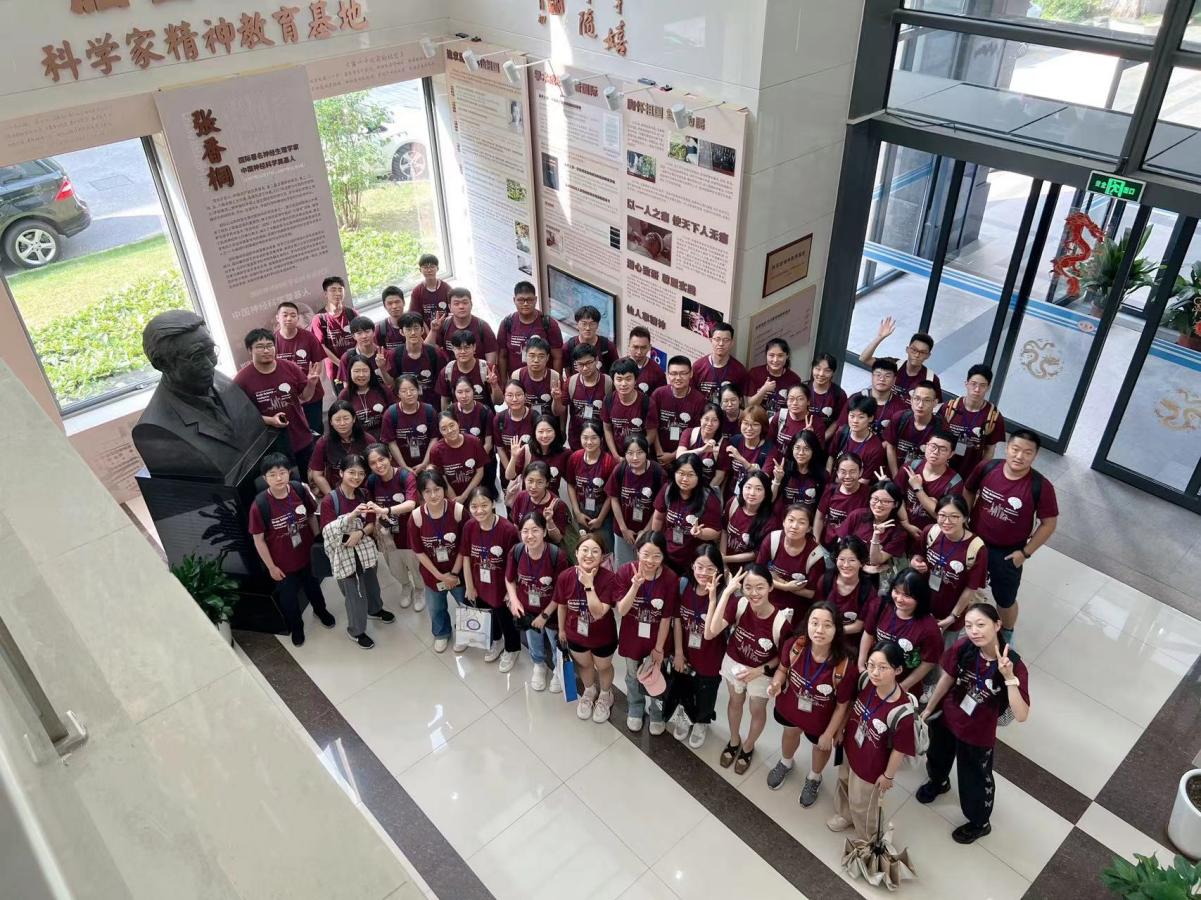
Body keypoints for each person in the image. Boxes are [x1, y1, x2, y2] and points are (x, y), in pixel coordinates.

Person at [918, 604, 1030, 844]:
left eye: (981, 624)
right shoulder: (964, 647)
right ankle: (939, 782)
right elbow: (947, 677)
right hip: (949, 716)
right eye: (969, 626)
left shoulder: (1013, 664)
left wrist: (1009, 678)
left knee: (974, 779)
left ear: (997, 625)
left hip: (978, 732)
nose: (974, 631)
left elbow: (1021, 714)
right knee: (937, 755)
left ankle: (980, 823)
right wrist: (929, 708)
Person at [964, 429, 1058, 643]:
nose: (1019, 456)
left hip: (1008, 553)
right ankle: (963, 621)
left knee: (1005, 599)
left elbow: (1049, 523)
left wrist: (1025, 553)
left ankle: (1007, 633)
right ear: (1007, 448)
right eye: (1015, 449)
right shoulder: (987, 468)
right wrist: (965, 521)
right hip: (975, 542)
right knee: (963, 582)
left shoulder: (1041, 486)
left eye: (1027, 452)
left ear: (1035, 456)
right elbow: (968, 490)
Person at [766, 601, 856, 806]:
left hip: (821, 720)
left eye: (827, 625)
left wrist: (829, 734)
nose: (819, 630)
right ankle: (786, 762)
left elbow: (842, 706)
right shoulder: (795, 646)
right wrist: (776, 683)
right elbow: (782, 669)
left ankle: (814, 777)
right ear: (807, 623)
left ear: (837, 629)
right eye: (814, 623)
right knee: (790, 734)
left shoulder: (845, 666)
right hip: (791, 708)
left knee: (820, 748)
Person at [707, 565, 792, 775]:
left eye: (760, 587)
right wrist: (727, 593)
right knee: (735, 702)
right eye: (748, 587)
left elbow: (783, 659)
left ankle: (748, 747)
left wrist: (758, 671)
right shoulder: (739, 604)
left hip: (761, 673)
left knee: (757, 710)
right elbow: (712, 631)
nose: (754, 593)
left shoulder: (781, 622)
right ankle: (734, 740)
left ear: (771, 587)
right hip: (734, 663)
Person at [827, 641, 917, 839]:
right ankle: (845, 815)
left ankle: (868, 839)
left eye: (883, 667)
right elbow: (851, 704)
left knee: (863, 804)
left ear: (898, 670)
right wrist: (840, 730)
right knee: (844, 782)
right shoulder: (865, 681)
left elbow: (899, 749)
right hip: (851, 747)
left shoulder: (902, 712)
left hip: (871, 765)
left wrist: (888, 776)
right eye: (871, 665)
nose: (875, 672)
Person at [249, 453, 335, 646]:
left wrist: (317, 542)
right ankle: (297, 627)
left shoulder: (299, 490)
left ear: (289, 472)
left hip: (307, 556)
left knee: (314, 588)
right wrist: (271, 567)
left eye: (282, 472)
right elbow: (258, 540)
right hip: (282, 564)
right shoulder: (259, 505)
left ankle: (321, 611)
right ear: (265, 478)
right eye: (272, 475)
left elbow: (311, 515)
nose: (278, 478)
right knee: (288, 600)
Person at [320, 454, 395, 650]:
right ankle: (356, 630)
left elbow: (370, 523)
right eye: (351, 472)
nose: (356, 477)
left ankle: (375, 609)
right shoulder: (330, 500)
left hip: (365, 551)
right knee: (354, 596)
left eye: (361, 473)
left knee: (371, 584)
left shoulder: (363, 494)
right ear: (341, 473)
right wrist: (351, 518)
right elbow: (328, 533)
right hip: (345, 555)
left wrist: (359, 533)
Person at [614, 532, 680, 734]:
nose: (651, 561)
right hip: (632, 636)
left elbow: (666, 617)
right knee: (632, 675)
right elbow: (622, 610)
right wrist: (635, 585)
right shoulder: (625, 572)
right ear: (637, 552)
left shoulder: (670, 578)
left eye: (657, 556)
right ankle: (635, 705)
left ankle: (657, 711)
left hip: (658, 637)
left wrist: (658, 649)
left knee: (657, 676)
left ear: (663, 556)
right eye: (646, 554)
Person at [235, 328, 320, 476]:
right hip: (271, 446)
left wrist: (311, 384)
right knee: (286, 484)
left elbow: (305, 397)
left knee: (311, 480)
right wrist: (270, 420)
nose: (266, 350)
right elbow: (240, 415)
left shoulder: (290, 367)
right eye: (260, 347)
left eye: (270, 345)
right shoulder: (242, 379)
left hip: (301, 437)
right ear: (249, 350)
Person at [665, 543, 726, 748]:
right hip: (686, 651)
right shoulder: (683, 585)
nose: (704, 573)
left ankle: (702, 721)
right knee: (684, 686)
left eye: (710, 568)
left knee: (706, 691)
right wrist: (678, 652)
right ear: (692, 566)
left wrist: (713, 598)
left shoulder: (723, 596)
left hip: (710, 655)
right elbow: (677, 621)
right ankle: (686, 715)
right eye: (699, 566)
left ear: (719, 570)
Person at [554, 533, 619, 722]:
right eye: (585, 550)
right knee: (585, 664)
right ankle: (589, 691)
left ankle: (605, 694)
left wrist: (589, 585)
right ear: (576, 552)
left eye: (595, 551)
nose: (589, 555)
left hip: (603, 636)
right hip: (575, 634)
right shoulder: (565, 577)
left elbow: (598, 613)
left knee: (603, 666)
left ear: (603, 556)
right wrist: (562, 630)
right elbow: (562, 605)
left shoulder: (609, 579)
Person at [506, 511, 571, 691]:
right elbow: (509, 579)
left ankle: (558, 668)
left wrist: (545, 615)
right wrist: (514, 600)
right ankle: (539, 665)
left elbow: (561, 592)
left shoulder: (557, 556)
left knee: (556, 642)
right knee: (533, 639)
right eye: (525, 531)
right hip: (528, 610)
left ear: (544, 532)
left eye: (535, 530)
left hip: (552, 612)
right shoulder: (517, 551)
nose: (530, 536)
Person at [460, 487, 521, 669]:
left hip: (502, 586)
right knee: (489, 616)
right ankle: (497, 641)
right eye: (474, 506)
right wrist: (469, 586)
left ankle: (512, 649)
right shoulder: (469, 527)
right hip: (480, 583)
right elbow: (466, 557)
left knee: (505, 619)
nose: (479, 510)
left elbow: (515, 564)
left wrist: (511, 592)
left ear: (493, 504)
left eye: (484, 505)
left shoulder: (507, 530)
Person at [407, 469, 466, 652]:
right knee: (435, 607)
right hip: (432, 573)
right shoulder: (416, 517)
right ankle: (441, 633)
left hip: (459, 572)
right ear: (421, 493)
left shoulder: (457, 510)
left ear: (444, 489)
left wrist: (454, 574)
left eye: (437, 489)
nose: (433, 495)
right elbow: (419, 551)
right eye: (427, 491)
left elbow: (465, 546)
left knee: (465, 604)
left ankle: (465, 634)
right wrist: (440, 576)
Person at [910, 495, 987, 636]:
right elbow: (918, 555)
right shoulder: (930, 532)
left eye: (954, 516)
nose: (947, 521)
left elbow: (971, 588)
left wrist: (953, 617)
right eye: (942, 515)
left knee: (944, 647)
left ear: (965, 518)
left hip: (949, 614)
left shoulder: (976, 548)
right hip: (921, 605)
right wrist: (915, 562)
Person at [858, 568, 942, 694]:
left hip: (902, 682)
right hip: (873, 674)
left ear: (920, 597)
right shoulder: (881, 606)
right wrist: (861, 666)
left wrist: (903, 686)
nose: (899, 599)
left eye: (906, 595)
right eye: (896, 591)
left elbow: (928, 662)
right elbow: (868, 633)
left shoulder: (929, 628)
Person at [365, 444, 422, 611]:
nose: (378, 465)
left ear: (389, 457)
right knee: (395, 566)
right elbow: (370, 504)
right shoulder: (372, 481)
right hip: (387, 534)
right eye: (373, 463)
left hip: (409, 530)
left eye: (381, 459)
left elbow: (411, 504)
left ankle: (419, 590)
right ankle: (406, 586)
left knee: (415, 565)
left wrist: (386, 510)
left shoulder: (405, 476)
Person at [651, 453, 722, 577]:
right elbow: (658, 518)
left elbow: (716, 532)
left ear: (698, 475)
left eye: (690, 475)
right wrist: (655, 545)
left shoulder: (709, 498)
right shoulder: (668, 490)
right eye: (681, 473)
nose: (684, 479)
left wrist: (701, 533)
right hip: (668, 554)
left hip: (694, 561)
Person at [605, 435, 666, 567]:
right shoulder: (620, 469)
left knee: (646, 566)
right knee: (623, 567)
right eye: (630, 453)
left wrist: (646, 531)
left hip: (649, 532)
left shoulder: (657, 472)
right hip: (623, 531)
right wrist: (623, 529)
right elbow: (614, 499)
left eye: (639, 453)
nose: (635, 458)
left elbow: (660, 507)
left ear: (646, 452)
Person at [836, 480, 909, 589]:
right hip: (847, 570)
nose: (878, 505)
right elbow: (839, 545)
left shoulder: (898, 533)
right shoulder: (857, 515)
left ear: (895, 504)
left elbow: (876, 560)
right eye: (875, 499)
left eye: (886, 501)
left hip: (875, 580)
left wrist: (876, 536)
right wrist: (862, 566)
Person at [756, 503, 825, 616]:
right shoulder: (772, 539)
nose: (794, 526)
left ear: (809, 528)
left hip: (797, 610)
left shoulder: (816, 554)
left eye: (801, 522)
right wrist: (785, 586)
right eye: (791, 520)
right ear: (783, 522)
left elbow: (810, 593)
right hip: (767, 602)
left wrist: (778, 579)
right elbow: (758, 575)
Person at [896, 427, 962, 538]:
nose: (935, 452)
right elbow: (896, 496)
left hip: (931, 535)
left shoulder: (954, 482)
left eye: (943, 449)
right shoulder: (910, 467)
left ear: (951, 454)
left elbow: (941, 515)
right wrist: (905, 523)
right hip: (901, 528)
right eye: (933, 446)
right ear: (926, 447)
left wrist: (918, 489)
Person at [943, 364, 1006, 478]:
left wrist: (981, 474)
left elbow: (989, 450)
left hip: (970, 472)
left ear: (988, 387)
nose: (977, 389)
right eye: (973, 384)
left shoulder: (994, 417)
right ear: (966, 384)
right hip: (943, 468)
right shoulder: (949, 408)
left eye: (982, 386)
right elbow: (936, 437)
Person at [273, 300, 327, 435]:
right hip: (287, 397)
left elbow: (318, 364)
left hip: (312, 392)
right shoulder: (272, 341)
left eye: (293, 315)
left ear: (298, 318)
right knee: (296, 433)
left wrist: (312, 381)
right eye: (285, 315)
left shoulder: (309, 337)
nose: (289, 318)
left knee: (316, 429)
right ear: (277, 318)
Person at [859, 318, 943, 400]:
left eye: (922, 352)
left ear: (928, 356)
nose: (917, 355)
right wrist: (880, 337)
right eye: (914, 350)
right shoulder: (893, 364)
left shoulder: (931, 378)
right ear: (907, 349)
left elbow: (937, 404)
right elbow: (864, 359)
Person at [496, 280, 564, 381]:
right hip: (516, 382)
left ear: (535, 300)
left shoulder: (548, 324)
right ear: (514, 300)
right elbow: (502, 356)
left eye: (529, 300)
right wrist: (503, 382)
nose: (525, 304)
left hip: (543, 381)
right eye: (521, 300)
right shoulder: (507, 323)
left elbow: (557, 357)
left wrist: (556, 382)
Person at [816, 536, 873, 649]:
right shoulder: (826, 580)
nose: (846, 565)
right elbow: (817, 612)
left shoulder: (868, 590)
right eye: (841, 559)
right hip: (822, 638)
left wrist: (833, 631)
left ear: (861, 563)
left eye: (852, 560)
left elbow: (859, 625)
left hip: (850, 646)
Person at [309, 401, 376, 497]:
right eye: (337, 420)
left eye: (346, 418)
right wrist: (333, 497)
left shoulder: (368, 440)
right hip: (337, 491)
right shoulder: (323, 443)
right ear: (331, 422)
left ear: (354, 419)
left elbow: (375, 469)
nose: (342, 423)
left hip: (365, 492)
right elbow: (317, 474)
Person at [565, 422, 616, 544]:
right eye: (585, 438)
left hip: (603, 512)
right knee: (583, 545)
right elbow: (571, 484)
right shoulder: (575, 458)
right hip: (581, 509)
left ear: (601, 439)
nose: (589, 442)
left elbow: (611, 494)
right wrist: (577, 513)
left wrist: (600, 519)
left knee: (605, 547)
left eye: (594, 438)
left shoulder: (609, 461)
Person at [652, 356, 707, 463]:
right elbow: (652, 426)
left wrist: (673, 456)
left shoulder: (699, 400)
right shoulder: (658, 394)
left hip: (685, 458)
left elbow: (696, 434)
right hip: (657, 455)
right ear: (668, 375)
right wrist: (659, 453)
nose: (678, 378)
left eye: (683, 373)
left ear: (691, 374)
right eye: (673, 373)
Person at [426, 286, 499, 368]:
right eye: (456, 304)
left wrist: (487, 373)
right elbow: (426, 349)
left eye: (465, 303)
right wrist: (433, 331)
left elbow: (491, 361)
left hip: (478, 372)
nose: (461, 307)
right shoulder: (444, 324)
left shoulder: (483, 327)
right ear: (450, 307)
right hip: (453, 373)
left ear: (471, 304)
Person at [381, 374, 438, 473]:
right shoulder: (390, 413)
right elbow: (391, 442)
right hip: (401, 466)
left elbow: (434, 438)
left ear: (418, 390)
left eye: (412, 389)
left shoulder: (429, 410)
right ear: (398, 394)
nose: (409, 394)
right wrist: (404, 466)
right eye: (404, 391)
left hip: (427, 463)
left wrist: (425, 463)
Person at [602, 358, 659, 456]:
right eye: (619, 379)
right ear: (613, 381)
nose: (623, 384)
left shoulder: (647, 403)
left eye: (628, 379)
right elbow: (607, 429)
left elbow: (651, 434)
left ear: (635, 380)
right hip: (616, 456)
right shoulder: (608, 400)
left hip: (639, 456)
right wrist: (615, 455)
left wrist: (634, 453)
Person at [813, 452, 870, 550]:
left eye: (852, 472)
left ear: (860, 472)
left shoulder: (868, 494)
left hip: (855, 549)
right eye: (843, 472)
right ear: (837, 472)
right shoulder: (830, 490)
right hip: (828, 546)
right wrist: (816, 543)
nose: (847, 476)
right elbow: (819, 517)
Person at [843, 358, 907, 443]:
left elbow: (896, 440)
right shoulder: (856, 398)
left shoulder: (900, 408)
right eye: (878, 375)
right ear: (872, 376)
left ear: (894, 379)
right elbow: (842, 427)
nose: (882, 379)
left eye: (887, 376)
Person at [311, 275, 358, 390]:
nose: (337, 293)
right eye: (333, 290)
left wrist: (353, 361)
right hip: (336, 371)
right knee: (344, 399)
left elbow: (361, 337)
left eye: (340, 289)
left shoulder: (352, 313)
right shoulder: (319, 318)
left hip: (357, 365)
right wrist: (341, 364)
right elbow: (321, 346)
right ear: (325, 294)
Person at [447, 376, 495, 487]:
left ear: (473, 391)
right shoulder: (451, 411)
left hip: (482, 461)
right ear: (454, 393)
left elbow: (488, 444)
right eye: (460, 392)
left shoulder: (485, 411)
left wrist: (474, 461)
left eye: (467, 391)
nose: (464, 396)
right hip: (458, 463)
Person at [722, 470, 776, 568]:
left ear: (766, 493)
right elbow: (724, 531)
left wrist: (726, 559)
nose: (752, 493)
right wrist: (723, 561)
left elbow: (756, 553)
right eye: (748, 487)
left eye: (758, 489)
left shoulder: (770, 521)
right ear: (742, 488)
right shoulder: (733, 503)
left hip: (747, 570)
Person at [509, 461, 569, 548]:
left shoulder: (557, 505)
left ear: (547, 483)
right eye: (530, 481)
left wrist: (549, 521)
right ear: (524, 479)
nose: (533, 486)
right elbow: (516, 526)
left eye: (539, 482)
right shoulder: (521, 496)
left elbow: (557, 539)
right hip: (524, 548)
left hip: (546, 551)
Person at [828, 395, 891, 478]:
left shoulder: (875, 448)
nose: (855, 421)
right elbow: (831, 456)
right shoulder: (842, 432)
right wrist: (828, 475)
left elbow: (865, 480)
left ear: (870, 418)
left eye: (861, 417)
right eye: (852, 416)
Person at [767, 429, 827, 516]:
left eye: (806, 449)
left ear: (813, 450)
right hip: (785, 519)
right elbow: (770, 500)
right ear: (792, 448)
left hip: (807, 520)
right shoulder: (783, 469)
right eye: (797, 448)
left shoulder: (821, 475)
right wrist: (777, 480)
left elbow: (822, 508)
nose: (801, 453)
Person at [506, 414, 569, 496]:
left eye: (549, 431)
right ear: (534, 433)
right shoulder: (527, 450)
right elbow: (509, 476)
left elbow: (571, 481)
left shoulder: (564, 454)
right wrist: (513, 457)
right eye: (540, 431)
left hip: (551, 500)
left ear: (555, 432)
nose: (545, 435)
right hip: (528, 499)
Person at [563, 342, 612, 448]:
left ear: (596, 360)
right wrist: (556, 399)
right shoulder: (571, 382)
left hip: (600, 440)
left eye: (589, 363)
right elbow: (560, 411)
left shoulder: (608, 382)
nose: (585, 368)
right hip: (577, 440)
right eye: (580, 364)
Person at [429, 412, 486, 501]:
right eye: (444, 429)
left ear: (458, 423)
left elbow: (480, 472)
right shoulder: (436, 451)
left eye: (452, 425)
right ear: (439, 431)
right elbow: (441, 478)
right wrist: (454, 499)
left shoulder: (474, 442)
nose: (449, 430)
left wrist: (464, 496)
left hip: (473, 494)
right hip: (450, 497)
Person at [675, 402, 729, 492]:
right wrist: (702, 450)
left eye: (715, 420)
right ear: (700, 419)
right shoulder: (689, 433)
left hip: (707, 489)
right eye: (706, 419)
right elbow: (679, 456)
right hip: (684, 485)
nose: (709, 423)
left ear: (720, 423)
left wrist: (705, 494)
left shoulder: (723, 444)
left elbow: (719, 476)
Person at [394, 312, 445, 407]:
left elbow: (442, 383)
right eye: (408, 329)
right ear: (401, 332)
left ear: (422, 330)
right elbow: (394, 383)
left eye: (416, 328)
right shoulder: (396, 355)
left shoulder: (435, 353)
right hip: (408, 406)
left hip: (433, 404)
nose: (413, 333)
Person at [887, 379, 940, 468]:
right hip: (894, 471)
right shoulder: (899, 417)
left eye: (927, 400)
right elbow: (890, 447)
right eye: (917, 399)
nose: (920, 405)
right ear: (911, 400)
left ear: (935, 403)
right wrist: (896, 474)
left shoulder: (941, 427)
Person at [437, 328, 492, 410]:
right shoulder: (447, 371)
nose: (463, 351)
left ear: (474, 347)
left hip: (484, 416)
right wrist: (446, 417)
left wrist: (494, 385)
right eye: (459, 348)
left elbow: (499, 401)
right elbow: (445, 401)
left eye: (467, 347)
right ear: (453, 348)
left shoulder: (487, 368)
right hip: (457, 416)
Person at [337, 316, 396, 391]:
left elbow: (392, 384)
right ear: (353, 336)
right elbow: (347, 387)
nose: (364, 336)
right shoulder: (347, 357)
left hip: (384, 396)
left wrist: (382, 368)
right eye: (359, 333)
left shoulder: (386, 354)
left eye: (367, 331)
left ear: (374, 332)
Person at [692, 322, 747, 401]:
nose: (721, 344)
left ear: (732, 343)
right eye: (717, 339)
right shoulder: (698, 367)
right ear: (711, 340)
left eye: (726, 340)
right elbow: (691, 395)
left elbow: (742, 400)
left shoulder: (739, 370)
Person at [747, 338, 803, 415]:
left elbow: (795, 408)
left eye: (780, 356)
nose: (775, 360)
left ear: (787, 356)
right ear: (766, 355)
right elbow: (750, 404)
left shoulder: (794, 379)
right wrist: (763, 390)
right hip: (758, 419)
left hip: (782, 420)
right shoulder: (755, 373)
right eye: (771, 355)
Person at [512, 336, 564, 419]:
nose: (536, 360)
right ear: (525, 356)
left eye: (541, 356)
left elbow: (558, 412)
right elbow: (512, 406)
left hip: (548, 422)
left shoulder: (555, 377)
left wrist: (556, 399)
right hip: (525, 420)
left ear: (547, 357)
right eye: (532, 356)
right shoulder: (517, 375)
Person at [726, 405, 772, 498]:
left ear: (763, 427)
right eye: (746, 423)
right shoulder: (735, 441)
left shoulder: (769, 449)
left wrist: (741, 459)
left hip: (754, 497)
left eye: (755, 424)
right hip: (731, 495)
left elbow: (764, 478)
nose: (749, 428)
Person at [338, 354, 391, 434]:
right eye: (357, 371)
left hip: (385, 436)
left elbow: (394, 414)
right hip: (359, 438)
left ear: (371, 372)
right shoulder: (344, 395)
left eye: (365, 371)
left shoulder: (382, 390)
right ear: (350, 372)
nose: (361, 375)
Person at [493, 380, 536, 478]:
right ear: (504, 397)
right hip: (507, 468)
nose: (515, 399)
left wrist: (526, 475)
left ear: (525, 396)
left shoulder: (534, 417)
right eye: (510, 395)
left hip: (530, 471)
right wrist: (510, 471)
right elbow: (500, 448)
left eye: (519, 395)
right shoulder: (499, 419)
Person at [562, 305, 618, 375]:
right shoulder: (568, 346)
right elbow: (566, 370)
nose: (588, 328)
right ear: (577, 324)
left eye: (592, 324)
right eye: (584, 324)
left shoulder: (608, 346)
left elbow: (616, 371)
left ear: (597, 325)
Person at [805, 352, 848, 445]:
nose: (821, 374)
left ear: (833, 372)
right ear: (812, 368)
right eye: (818, 369)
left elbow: (838, 420)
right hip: (801, 438)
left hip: (825, 442)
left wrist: (822, 439)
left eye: (827, 371)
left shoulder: (839, 394)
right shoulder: (803, 388)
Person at [767, 385, 818, 458]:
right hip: (777, 461)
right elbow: (769, 443)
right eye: (791, 399)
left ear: (808, 401)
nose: (794, 403)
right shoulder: (781, 416)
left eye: (800, 399)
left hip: (800, 463)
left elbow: (817, 455)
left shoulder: (815, 423)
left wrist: (811, 438)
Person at [409, 253, 451, 328]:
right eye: (425, 267)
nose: (429, 270)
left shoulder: (447, 288)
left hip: (446, 328)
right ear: (420, 270)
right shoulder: (417, 291)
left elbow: (453, 311)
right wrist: (429, 332)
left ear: (437, 268)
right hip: (427, 330)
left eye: (432, 266)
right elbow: (415, 316)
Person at [626, 326, 666, 394]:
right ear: (629, 345)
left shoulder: (657, 372)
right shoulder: (619, 365)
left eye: (643, 347)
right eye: (635, 347)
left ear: (649, 347)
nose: (639, 352)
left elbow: (661, 397)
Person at [374, 285, 407, 352]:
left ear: (403, 302)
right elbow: (379, 352)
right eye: (390, 303)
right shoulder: (380, 329)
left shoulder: (415, 323)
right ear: (384, 306)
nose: (394, 306)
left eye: (397, 302)